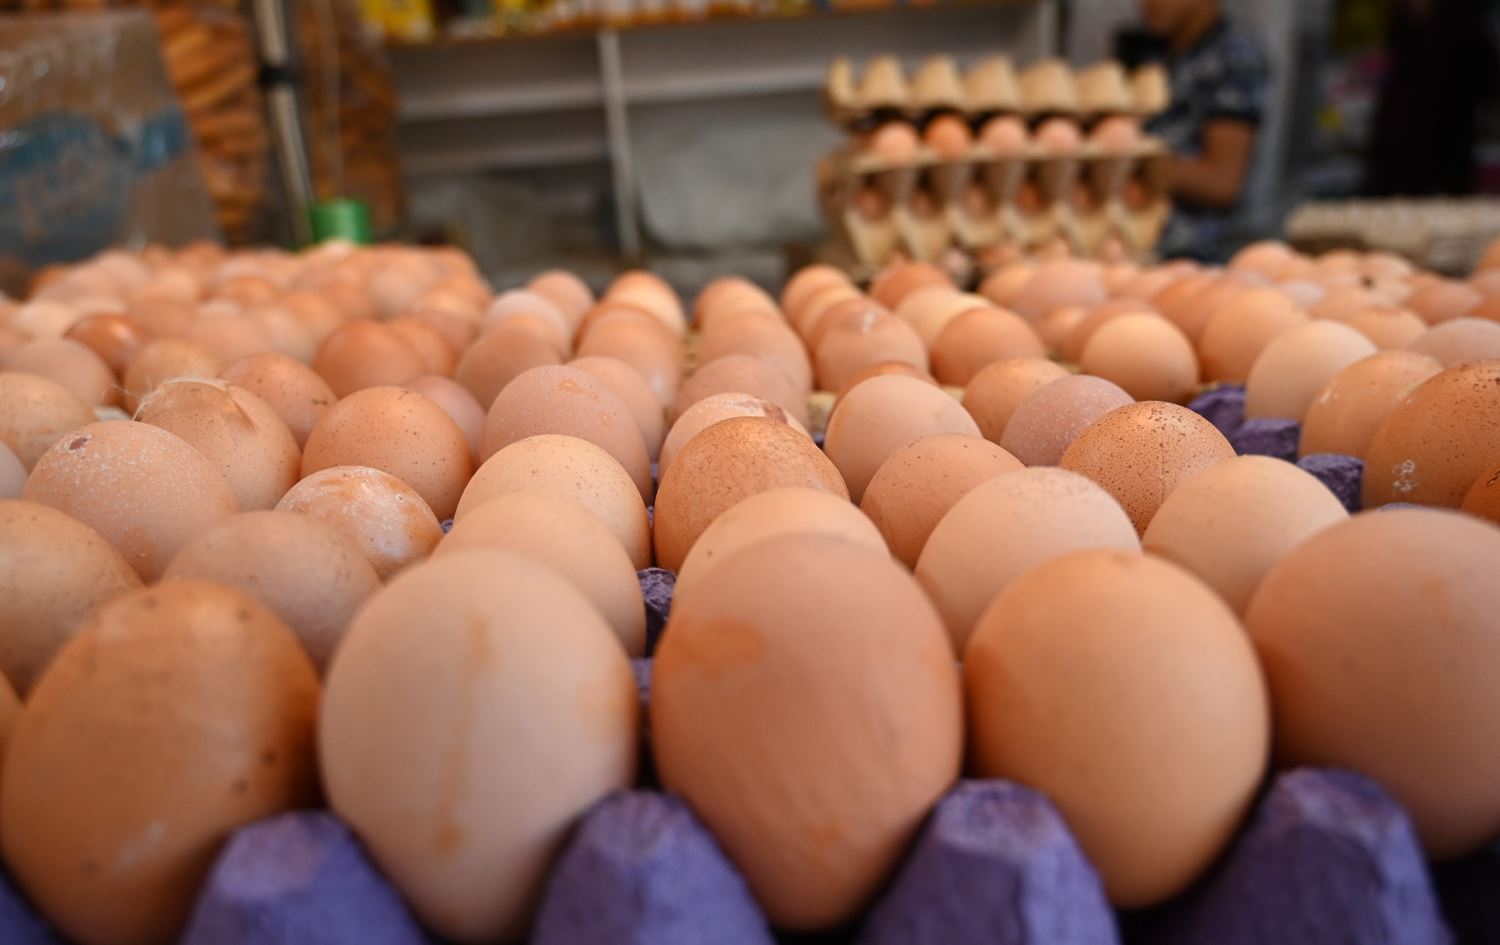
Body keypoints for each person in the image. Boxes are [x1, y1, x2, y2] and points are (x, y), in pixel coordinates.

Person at [1136, 0, 1271, 261]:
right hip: (1147, 248)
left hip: (1195, 258)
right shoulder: (1165, 53)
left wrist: (1132, 165)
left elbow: (1222, 182)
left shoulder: (1233, 58)